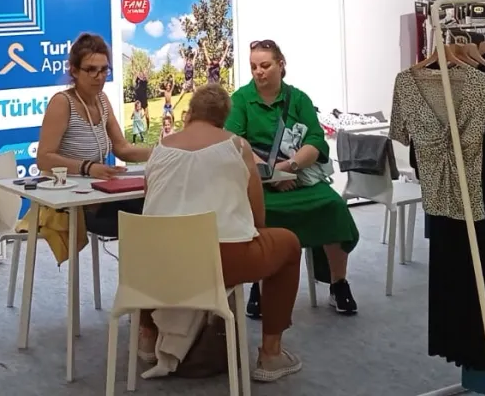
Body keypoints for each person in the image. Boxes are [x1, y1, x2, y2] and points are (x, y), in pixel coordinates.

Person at [139, 86, 304, 381]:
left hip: (160, 265)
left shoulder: (160, 148)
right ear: (224, 119)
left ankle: (148, 338)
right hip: (222, 260)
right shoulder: (237, 146)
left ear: (189, 113)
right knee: (289, 244)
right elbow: (258, 217)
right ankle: (271, 354)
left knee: (147, 250)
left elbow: (149, 200)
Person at [226, 40, 360, 316]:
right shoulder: (240, 99)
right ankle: (260, 284)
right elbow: (234, 142)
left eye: (265, 65)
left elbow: (315, 140)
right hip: (260, 183)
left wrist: (290, 167)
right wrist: (271, 175)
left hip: (299, 178)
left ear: (281, 64)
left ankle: (338, 283)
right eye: (253, 67)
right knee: (260, 214)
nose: (258, 72)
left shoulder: (298, 99)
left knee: (334, 206)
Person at [37, 33, 153, 236]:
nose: (99, 77)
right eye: (91, 70)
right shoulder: (62, 102)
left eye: (104, 69)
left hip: (94, 194)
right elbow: (44, 159)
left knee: (154, 204)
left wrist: (162, 151)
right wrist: (88, 168)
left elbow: (122, 148)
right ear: (74, 71)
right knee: (143, 215)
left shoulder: (102, 100)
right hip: (67, 202)